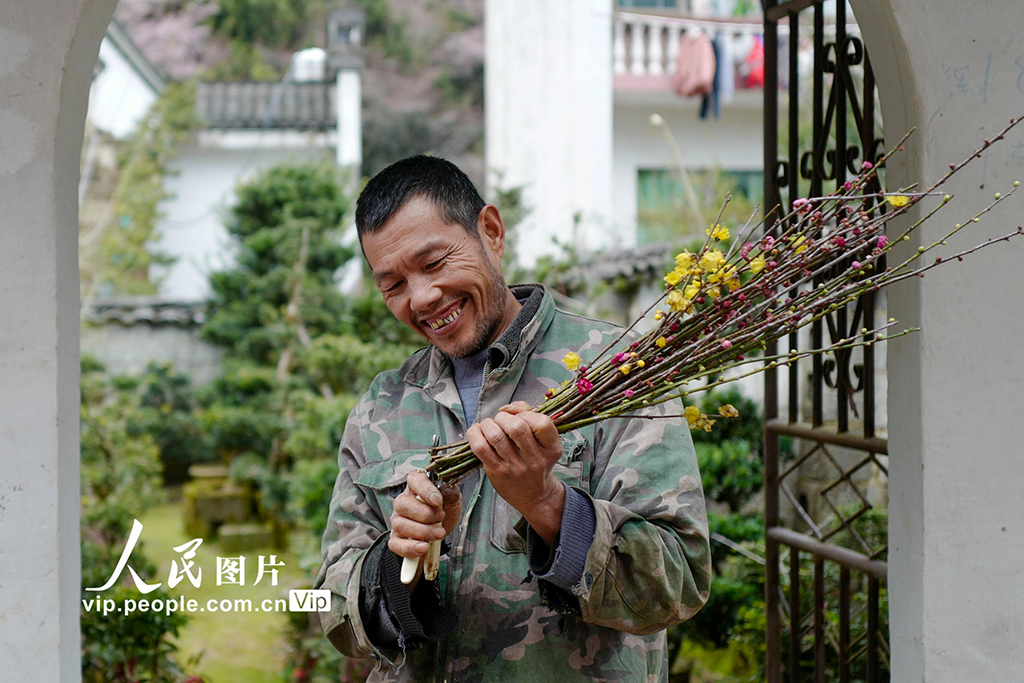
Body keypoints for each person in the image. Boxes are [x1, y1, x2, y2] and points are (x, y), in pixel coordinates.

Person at [314, 155, 711, 682]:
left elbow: (678, 583)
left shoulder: (613, 369)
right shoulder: (382, 405)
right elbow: (331, 608)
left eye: (433, 263)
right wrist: (401, 559)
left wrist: (547, 505)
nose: (422, 297)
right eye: (393, 284)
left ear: (491, 231)